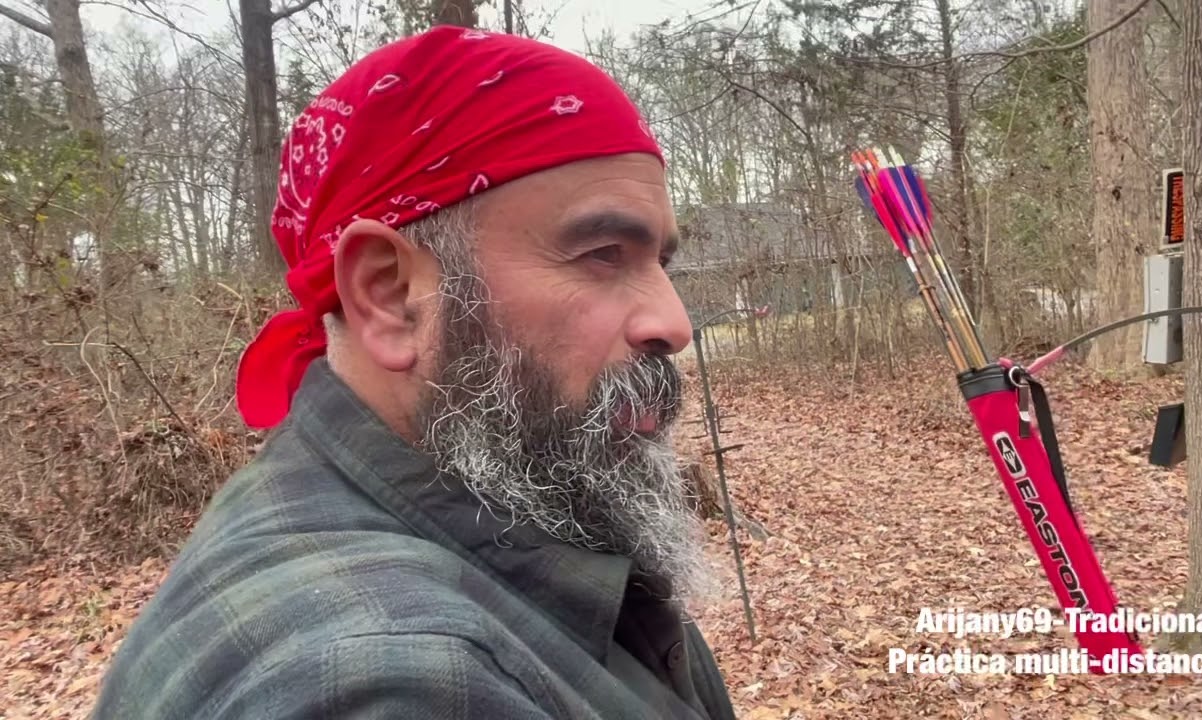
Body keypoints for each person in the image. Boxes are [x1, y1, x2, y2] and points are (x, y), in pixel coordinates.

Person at [91, 25, 736, 720]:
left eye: (660, 263)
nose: (673, 323)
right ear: (389, 296)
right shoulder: (395, 685)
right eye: (603, 253)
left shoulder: (512, 499)